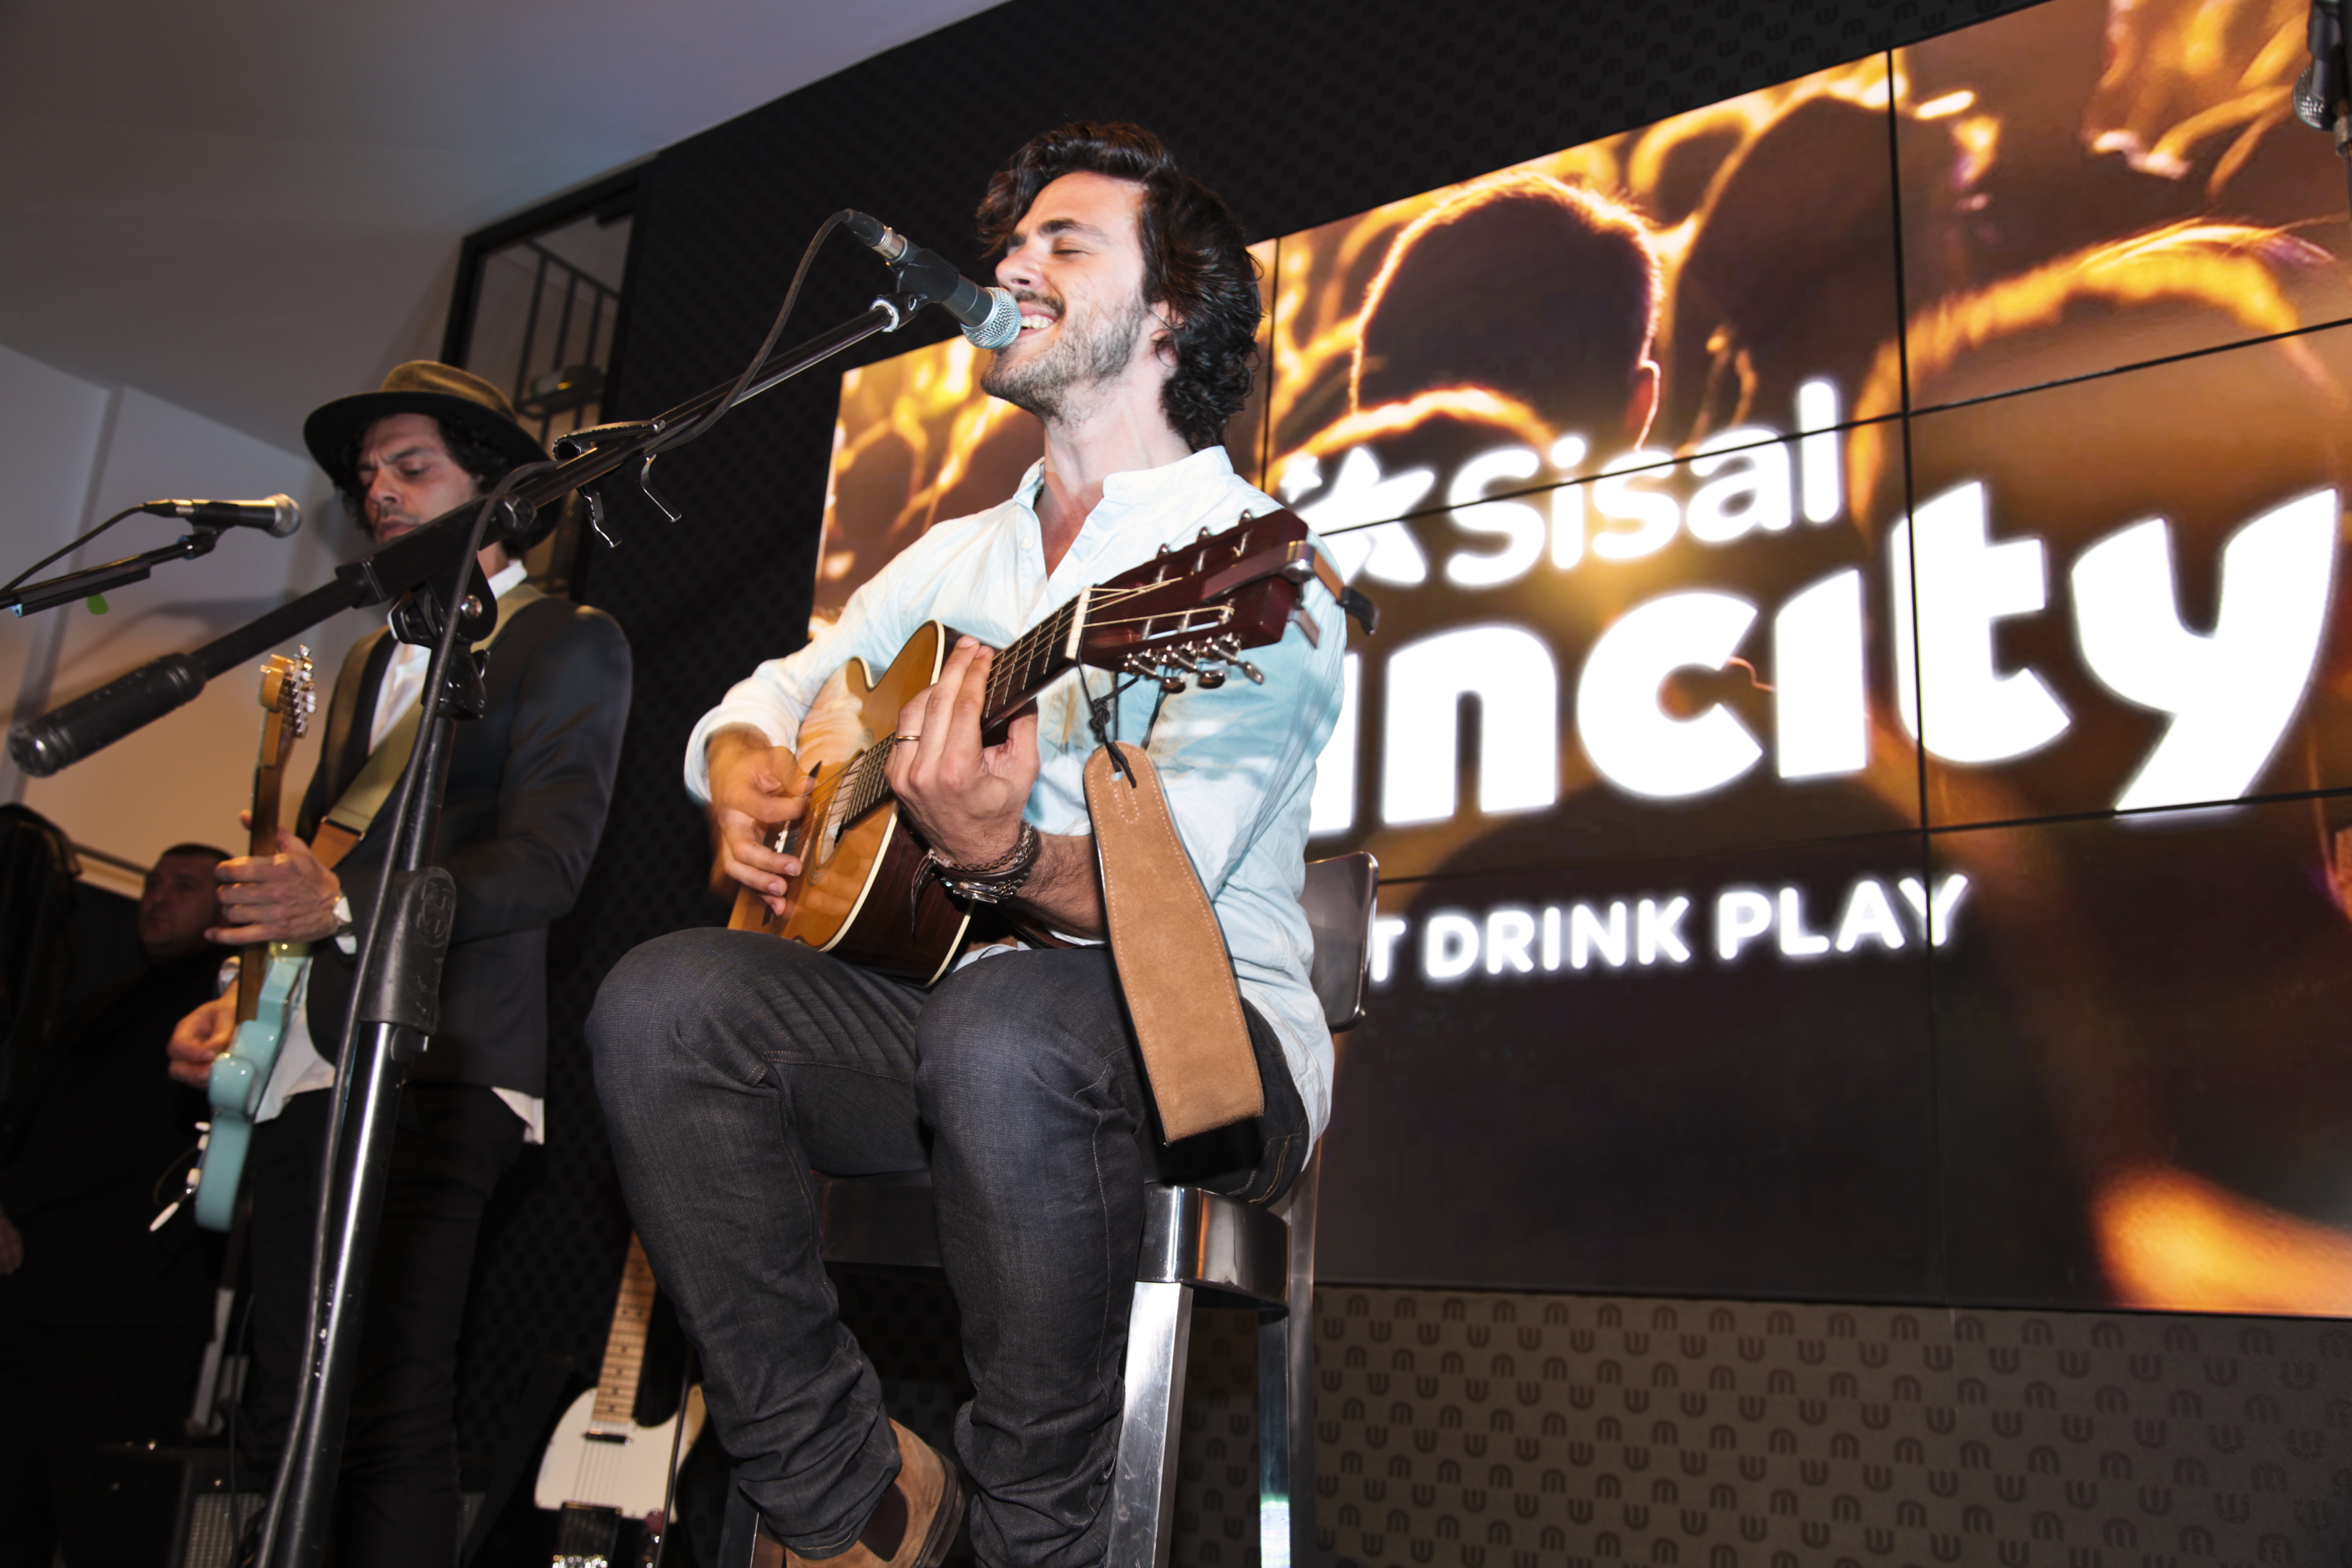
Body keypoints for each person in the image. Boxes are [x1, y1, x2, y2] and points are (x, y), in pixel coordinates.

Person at [587, 122, 1346, 1568]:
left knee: (1005, 1029)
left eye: (1066, 241)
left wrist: (1000, 859)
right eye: (1010, 244)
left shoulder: (1253, 568)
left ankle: (1037, 1533)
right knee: (662, 1003)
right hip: (962, 1036)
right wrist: (744, 766)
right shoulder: (955, 556)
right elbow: (773, 698)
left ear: (1169, 312)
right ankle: (844, 1499)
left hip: (1201, 1043)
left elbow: (1161, 895)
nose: (1011, 265)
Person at [165, 362, 633, 1565]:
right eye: (367, 475)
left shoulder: (568, 640)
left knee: (391, 1397)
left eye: (411, 467)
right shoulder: (373, 662)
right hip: (311, 1052)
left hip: (446, 1054)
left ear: (497, 490)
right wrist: (239, 1001)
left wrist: (343, 901)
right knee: (286, 1396)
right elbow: (318, 860)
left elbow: (545, 864)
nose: (377, 490)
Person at [0, 845, 228, 1564]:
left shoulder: (217, 1009)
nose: (158, 896)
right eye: (154, 882)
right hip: (44, 1296)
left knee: (108, 1520)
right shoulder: (110, 998)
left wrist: (11, 1199)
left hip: (127, 1310)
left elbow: (128, 1128)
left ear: (226, 909)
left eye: (183, 886)